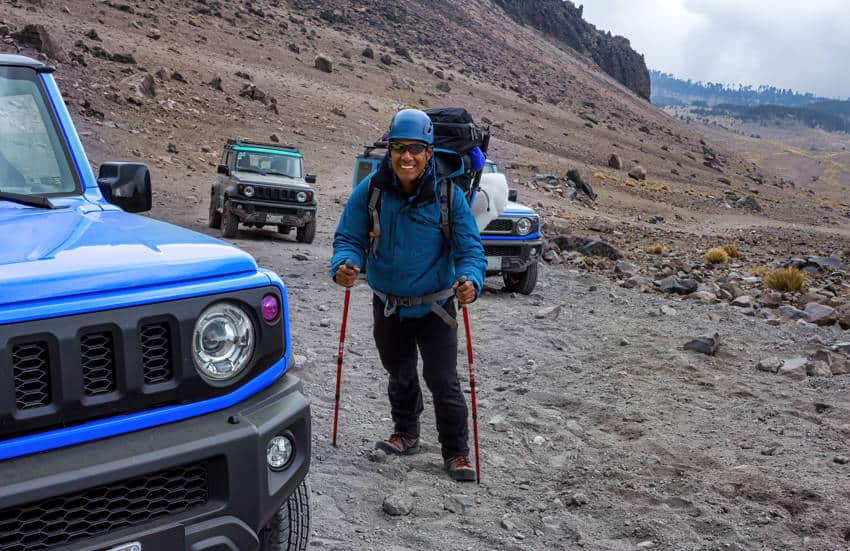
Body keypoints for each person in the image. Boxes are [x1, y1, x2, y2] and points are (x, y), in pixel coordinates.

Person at [331, 109, 486, 482]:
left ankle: (457, 452)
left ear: (429, 152)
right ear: (390, 149)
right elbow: (348, 237)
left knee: (442, 379)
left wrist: (471, 279)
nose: (407, 156)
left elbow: (470, 250)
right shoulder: (370, 191)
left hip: (436, 307)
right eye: (399, 147)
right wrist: (345, 262)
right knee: (398, 372)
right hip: (387, 304)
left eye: (416, 148)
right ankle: (406, 433)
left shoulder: (449, 195)